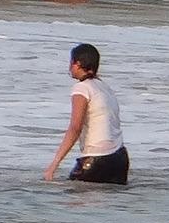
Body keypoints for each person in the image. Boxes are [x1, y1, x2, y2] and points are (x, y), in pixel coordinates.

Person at [44, 43, 128, 184]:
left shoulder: (82, 88)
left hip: (96, 159)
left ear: (77, 64)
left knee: (69, 197)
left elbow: (75, 128)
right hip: (120, 158)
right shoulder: (104, 87)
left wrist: (54, 164)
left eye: (71, 62)